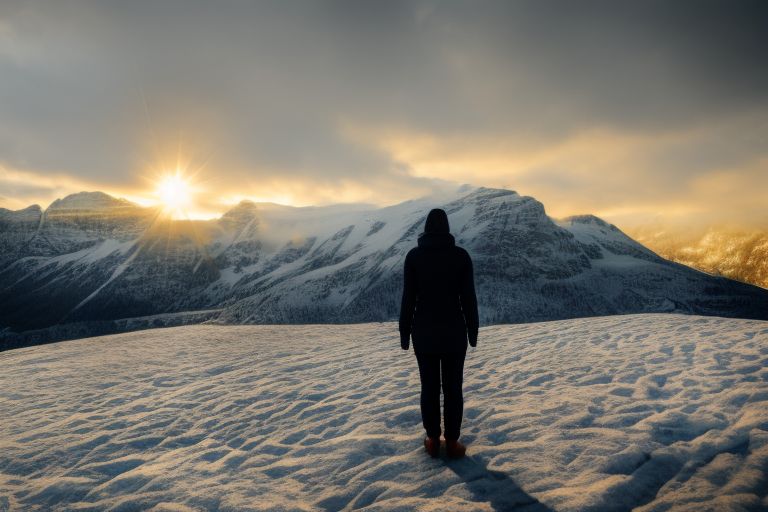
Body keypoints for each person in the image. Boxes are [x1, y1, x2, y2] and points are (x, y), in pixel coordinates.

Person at [399, 208, 479, 459]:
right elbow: (468, 298)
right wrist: (473, 330)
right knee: (453, 388)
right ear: (446, 228)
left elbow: (408, 299)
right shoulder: (460, 257)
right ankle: (453, 442)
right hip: (455, 333)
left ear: (426, 228)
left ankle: (433, 440)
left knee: (429, 388)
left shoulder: (414, 257)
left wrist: (404, 332)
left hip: (423, 334)